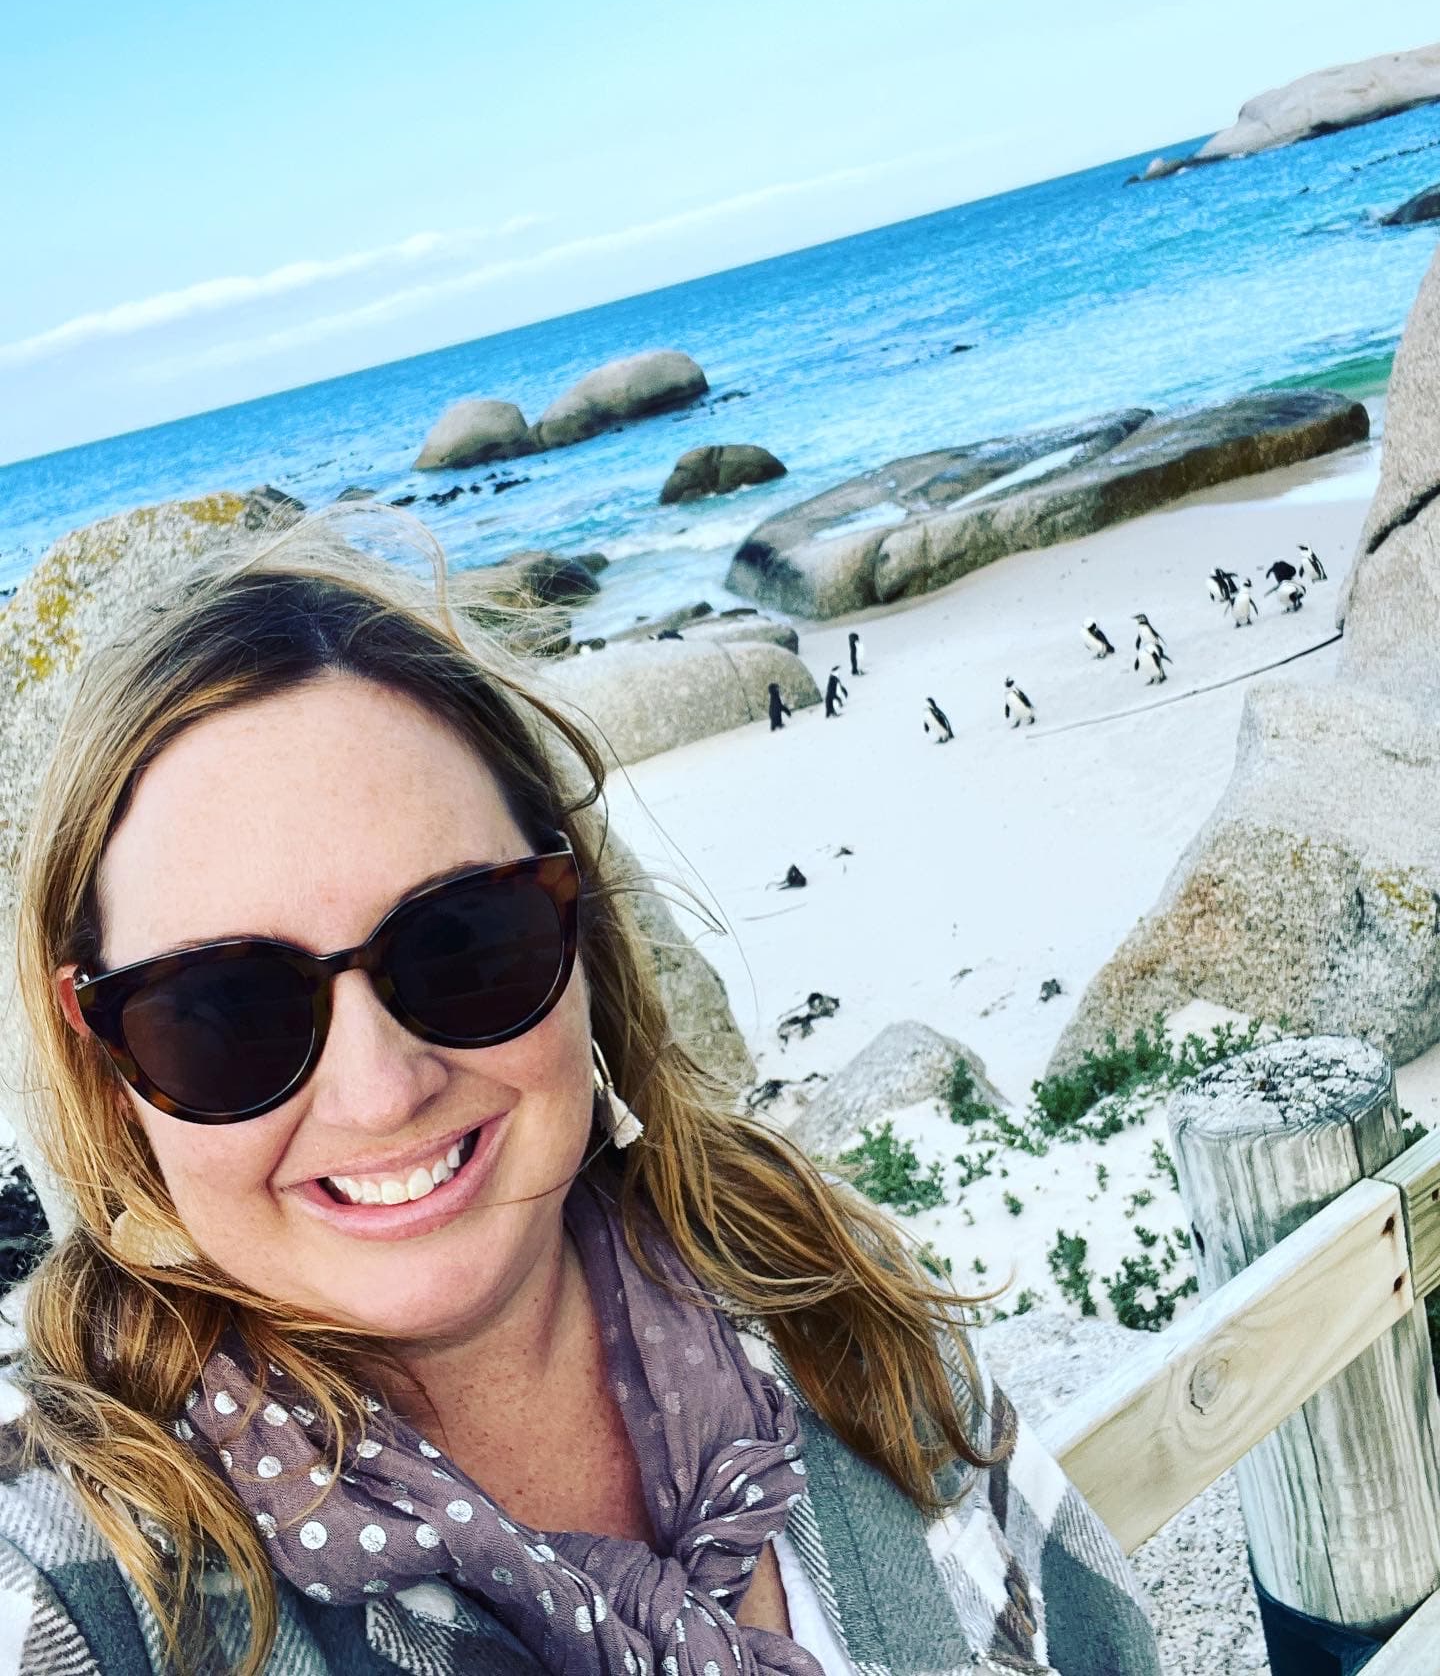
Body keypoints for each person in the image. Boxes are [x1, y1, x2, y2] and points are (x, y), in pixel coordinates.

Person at [0, 512, 1162, 1675]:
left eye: (462, 942)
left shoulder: (813, 1299)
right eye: (225, 1013)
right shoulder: (77, 1588)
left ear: (583, 930)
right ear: (108, 1067)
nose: (381, 1089)